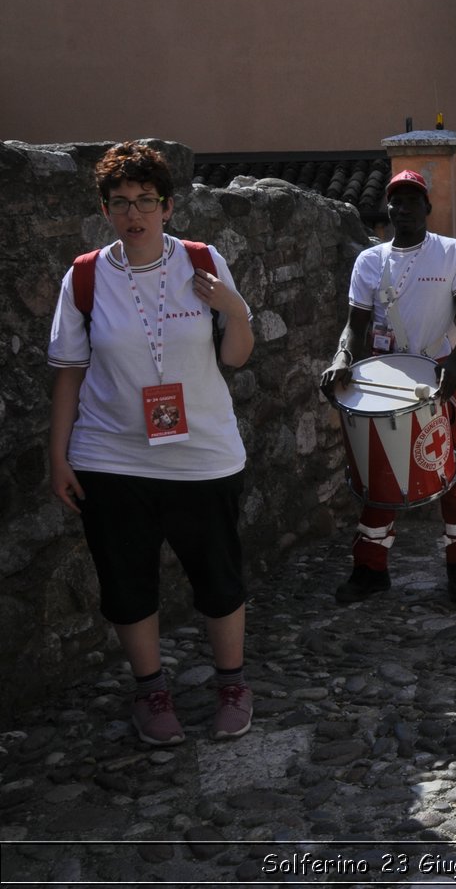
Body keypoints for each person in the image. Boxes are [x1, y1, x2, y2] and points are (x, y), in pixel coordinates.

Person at [48, 141, 257, 744]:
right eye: (120, 203)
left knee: (218, 576)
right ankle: (152, 692)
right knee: (126, 580)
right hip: (111, 455)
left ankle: (232, 684)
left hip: (203, 454)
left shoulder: (202, 261)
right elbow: (69, 371)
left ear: (167, 206)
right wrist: (57, 455)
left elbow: (235, 357)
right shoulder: (85, 276)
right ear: (105, 211)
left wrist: (236, 310)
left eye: (145, 201)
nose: (133, 214)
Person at [320, 170, 456, 606]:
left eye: (413, 200)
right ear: (388, 208)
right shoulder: (369, 262)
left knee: (454, 473)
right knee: (381, 474)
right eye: (396, 200)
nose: (403, 208)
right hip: (385, 381)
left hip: (438, 376)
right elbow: (354, 328)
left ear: (427, 207)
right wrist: (341, 358)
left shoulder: (451, 253)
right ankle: (370, 569)